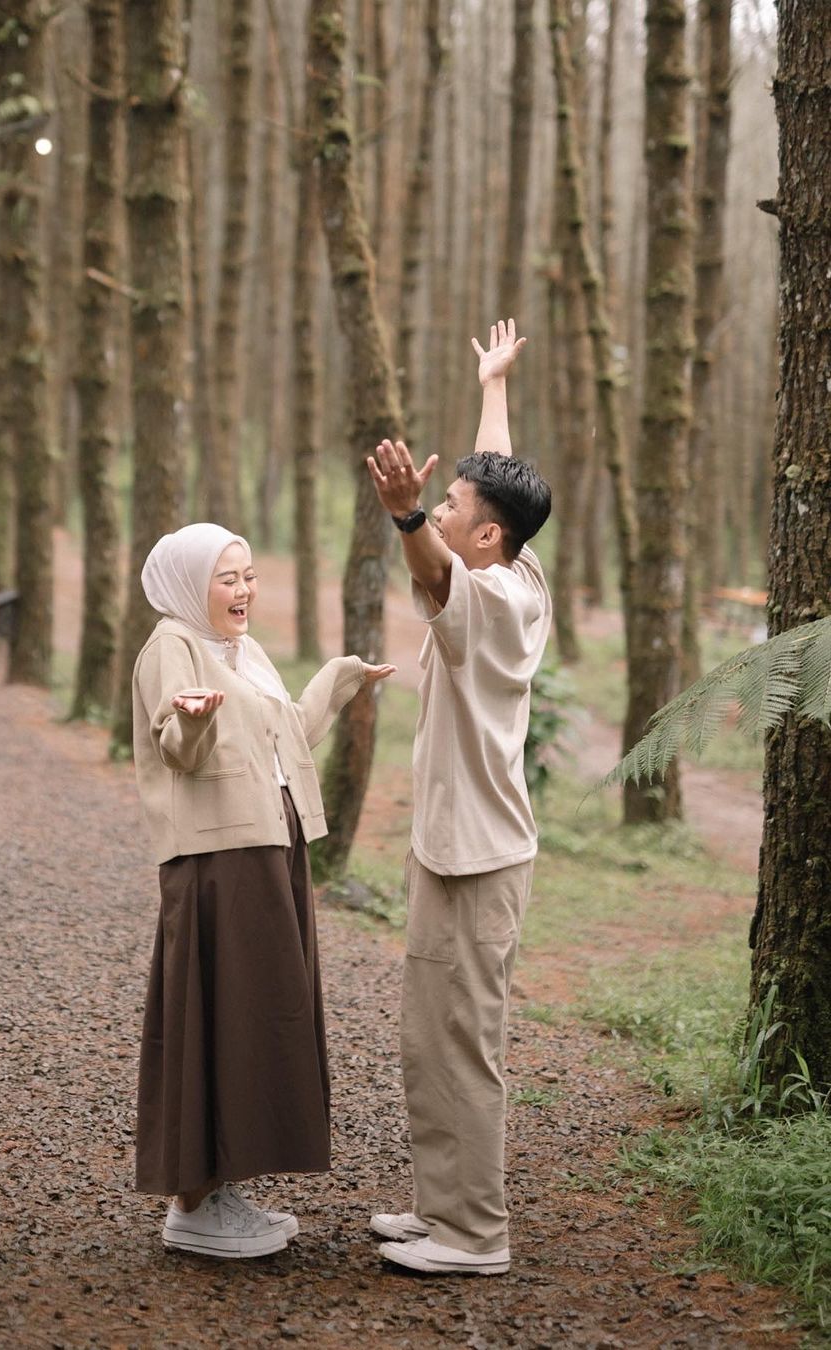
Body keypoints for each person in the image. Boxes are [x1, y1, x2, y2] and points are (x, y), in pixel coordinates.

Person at [131, 521, 395, 1259]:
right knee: (216, 1013)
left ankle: (226, 1187)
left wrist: (337, 681)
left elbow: (286, 739)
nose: (244, 590)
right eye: (227, 578)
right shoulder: (171, 648)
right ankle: (193, 1203)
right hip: (220, 858)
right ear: (191, 585)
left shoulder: (241, 653)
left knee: (258, 1013)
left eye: (247, 575)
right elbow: (175, 749)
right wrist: (194, 725)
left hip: (273, 846)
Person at [365, 318, 553, 1276]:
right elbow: (496, 482)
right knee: (424, 1036)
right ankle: (440, 1207)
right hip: (452, 847)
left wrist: (404, 519)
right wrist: (493, 384)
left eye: (449, 503)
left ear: (483, 536)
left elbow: (435, 565)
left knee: (464, 1045)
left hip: (480, 858)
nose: (439, 507)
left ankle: (476, 1235)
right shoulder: (511, 557)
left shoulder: (492, 598)